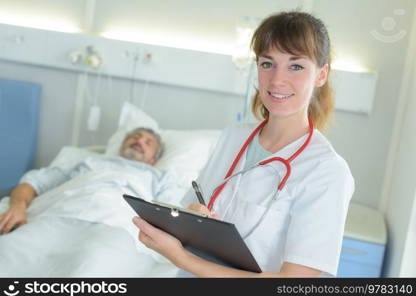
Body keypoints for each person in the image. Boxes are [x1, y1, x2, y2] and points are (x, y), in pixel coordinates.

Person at [132, 11, 355, 278]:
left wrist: (182, 259)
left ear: (321, 75)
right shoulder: (233, 136)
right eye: (267, 63)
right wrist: (193, 218)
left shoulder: (327, 172)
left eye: (295, 66)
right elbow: (194, 205)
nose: (276, 80)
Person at [0, 127, 165, 234]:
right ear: (122, 145)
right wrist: (17, 206)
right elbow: (34, 182)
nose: (139, 141)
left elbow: (171, 215)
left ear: (153, 161)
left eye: (148, 142)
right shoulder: (89, 162)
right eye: (136, 136)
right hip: (60, 215)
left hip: (115, 227)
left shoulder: (158, 178)